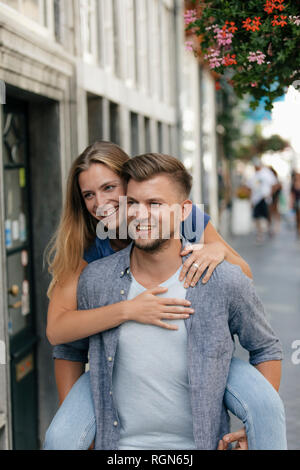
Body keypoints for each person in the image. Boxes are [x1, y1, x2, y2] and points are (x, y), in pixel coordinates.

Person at [44, 150, 287, 450]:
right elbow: (61, 335)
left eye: (109, 188)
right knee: (59, 438)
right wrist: (128, 310)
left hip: (207, 354)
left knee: (262, 406)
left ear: (128, 182)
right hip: (113, 367)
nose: (100, 203)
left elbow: (242, 282)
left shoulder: (189, 221)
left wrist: (219, 253)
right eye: (88, 194)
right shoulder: (87, 253)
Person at [247, 157, 278, 243]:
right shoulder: (253, 176)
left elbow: (275, 184)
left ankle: (269, 229)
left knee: (267, 215)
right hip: (256, 199)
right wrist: (251, 200)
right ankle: (260, 233)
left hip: (265, 198)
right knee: (257, 217)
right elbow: (249, 188)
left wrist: (270, 194)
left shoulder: (266, 174)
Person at [268, 167, 282, 234]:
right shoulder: (269, 179)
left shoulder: (275, 180)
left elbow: (278, 188)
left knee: (275, 212)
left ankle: (275, 226)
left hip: (275, 198)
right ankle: (272, 227)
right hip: (271, 198)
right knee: (271, 212)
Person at [290, 171, 300, 239]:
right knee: (297, 217)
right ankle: (298, 229)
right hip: (296, 202)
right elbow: (292, 195)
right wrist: (291, 203)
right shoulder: (293, 185)